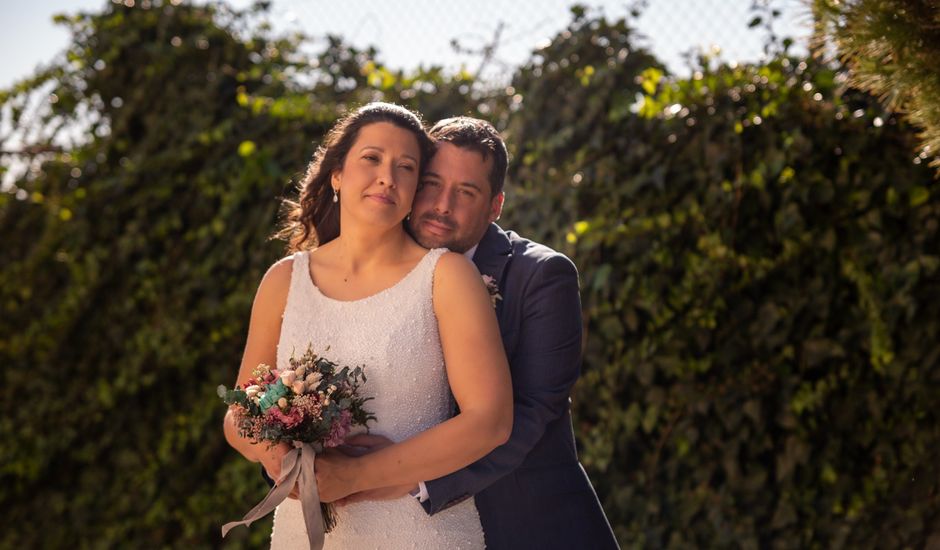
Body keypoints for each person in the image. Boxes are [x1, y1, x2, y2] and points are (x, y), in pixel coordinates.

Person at [222, 103, 513, 549]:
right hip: (304, 530)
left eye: (406, 167)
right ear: (337, 173)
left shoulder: (447, 276)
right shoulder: (284, 279)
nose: (387, 177)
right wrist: (284, 461)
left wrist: (354, 475)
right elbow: (238, 413)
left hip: (419, 533)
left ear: (416, 188)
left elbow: (489, 420)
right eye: (372, 158)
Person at [330, 117, 620, 549]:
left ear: (495, 205)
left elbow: (533, 413)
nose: (443, 205)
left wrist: (410, 478)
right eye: (431, 183)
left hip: (526, 524)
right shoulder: (370, 267)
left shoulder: (541, 276)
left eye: (466, 192)